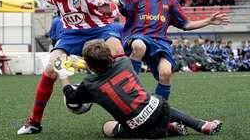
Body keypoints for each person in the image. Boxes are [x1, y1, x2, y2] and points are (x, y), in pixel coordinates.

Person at [10, 0, 125, 135]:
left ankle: (130, 112)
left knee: (118, 53)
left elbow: (114, 10)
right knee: (50, 69)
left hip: (99, 29)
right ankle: (34, 122)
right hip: (71, 35)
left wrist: (106, 5)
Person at [98, 0, 230, 100]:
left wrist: (209, 21)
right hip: (138, 38)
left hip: (160, 43)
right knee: (139, 46)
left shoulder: (170, 2)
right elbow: (111, 5)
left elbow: (186, 25)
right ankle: (130, 86)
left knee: (166, 73)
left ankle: (161, 109)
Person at [61, 39, 222, 139]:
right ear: (109, 56)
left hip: (143, 132)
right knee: (154, 104)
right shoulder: (124, 61)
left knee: (107, 127)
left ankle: (170, 128)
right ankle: (201, 125)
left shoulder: (89, 85)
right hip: (161, 110)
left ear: (89, 65)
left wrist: (63, 74)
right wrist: (88, 63)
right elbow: (106, 66)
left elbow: (71, 98)